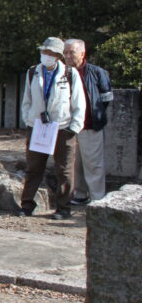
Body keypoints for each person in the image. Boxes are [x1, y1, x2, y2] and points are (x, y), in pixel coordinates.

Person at [19, 37, 86, 220]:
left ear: (58, 56)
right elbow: (27, 99)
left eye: (50, 53)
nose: (45, 55)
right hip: (38, 126)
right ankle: (27, 205)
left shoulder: (70, 74)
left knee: (64, 169)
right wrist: (28, 119)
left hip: (63, 127)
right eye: (44, 52)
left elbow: (78, 102)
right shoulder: (33, 72)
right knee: (33, 167)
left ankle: (63, 207)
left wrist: (74, 126)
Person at [64, 39, 113, 204]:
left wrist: (94, 115)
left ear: (82, 53)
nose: (68, 56)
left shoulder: (97, 72)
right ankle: (80, 194)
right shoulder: (62, 72)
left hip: (90, 125)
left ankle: (97, 199)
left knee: (93, 163)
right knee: (74, 163)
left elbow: (106, 98)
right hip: (68, 125)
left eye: (71, 52)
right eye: (65, 53)